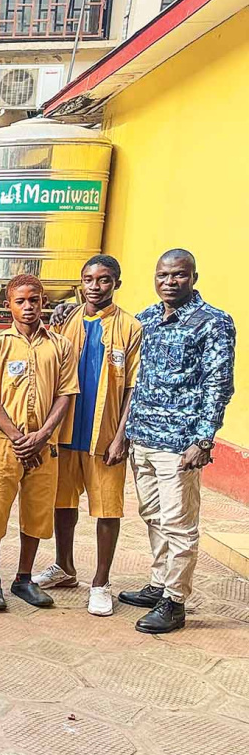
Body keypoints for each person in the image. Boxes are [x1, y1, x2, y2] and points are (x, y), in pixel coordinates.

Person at [119, 249, 236, 634]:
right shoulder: (147, 318)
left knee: (179, 524)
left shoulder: (214, 323)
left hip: (180, 445)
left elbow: (218, 385)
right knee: (153, 516)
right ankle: (158, 583)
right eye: (163, 275)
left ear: (194, 278)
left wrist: (203, 441)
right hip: (144, 437)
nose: (170, 282)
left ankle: (175, 601)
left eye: (179, 275)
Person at [34, 255, 142, 617]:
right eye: (89, 279)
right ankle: (64, 567)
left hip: (104, 435)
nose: (95, 286)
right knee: (62, 504)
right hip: (66, 432)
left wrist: (121, 436)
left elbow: (132, 387)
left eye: (104, 280)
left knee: (107, 509)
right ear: (81, 283)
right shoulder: (67, 321)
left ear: (117, 283)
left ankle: (101, 582)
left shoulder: (130, 327)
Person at [0, 275, 78, 612]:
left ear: (43, 301)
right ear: (9, 305)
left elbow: (66, 394)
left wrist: (42, 434)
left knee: (36, 512)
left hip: (45, 446)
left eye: (34, 300)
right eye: (21, 301)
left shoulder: (59, 346)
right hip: (7, 444)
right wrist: (18, 437)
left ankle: (24, 577)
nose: (28, 307)